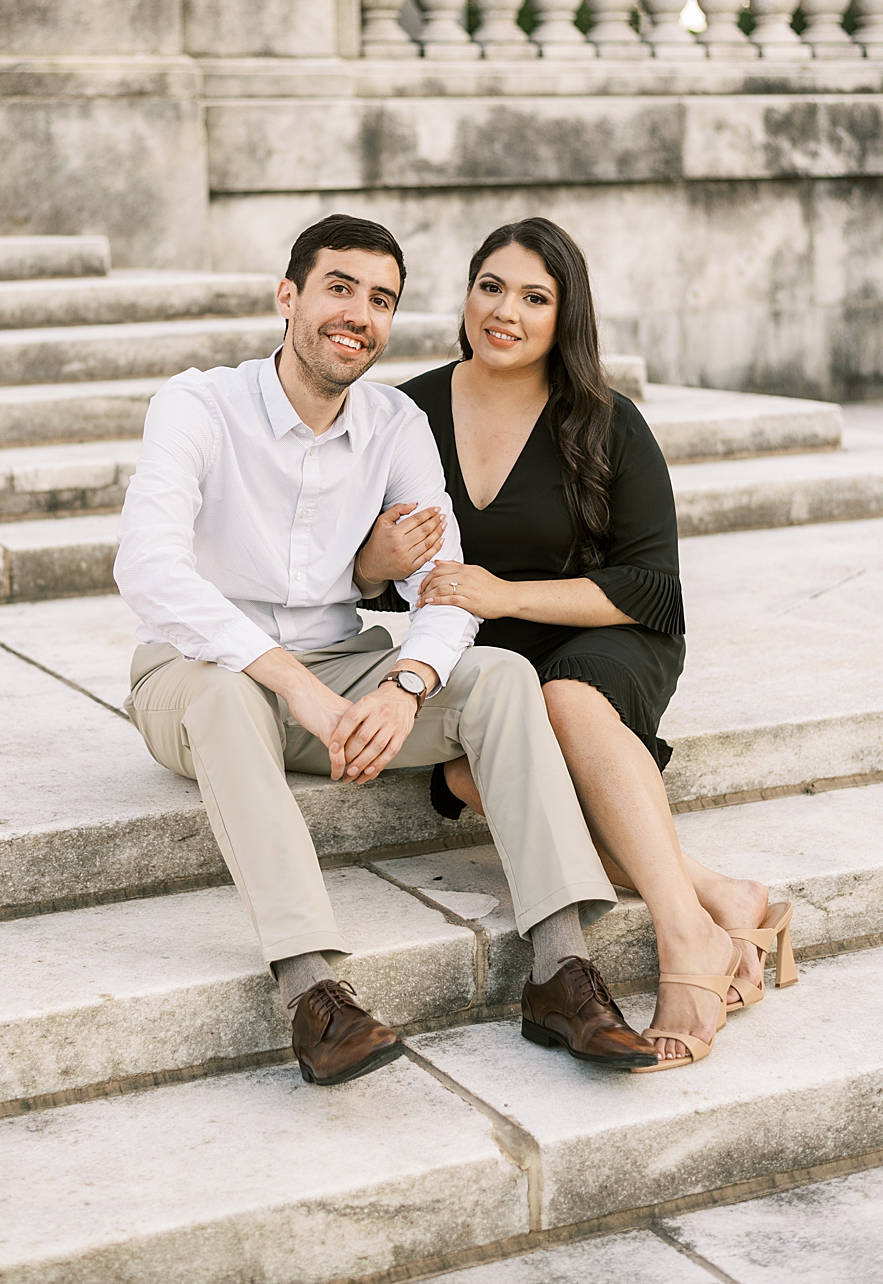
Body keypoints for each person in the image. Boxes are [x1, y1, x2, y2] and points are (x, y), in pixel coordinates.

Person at [114, 213, 657, 1087]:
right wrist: (293, 683)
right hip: (195, 677)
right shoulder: (199, 405)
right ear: (288, 297)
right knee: (228, 691)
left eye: (380, 300)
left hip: (343, 671)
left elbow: (443, 583)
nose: (357, 315)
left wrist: (407, 682)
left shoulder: (396, 423)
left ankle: (561, 973)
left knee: (501, 675)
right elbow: (148, 568)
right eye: (338, 288)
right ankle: (312, 994)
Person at [352, 217, 792, 1071]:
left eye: (534, 297)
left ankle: (685, 935)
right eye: (491, 287)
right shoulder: (405, 413)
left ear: (565, 316)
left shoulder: (608, 422)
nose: (505, 312)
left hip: (608, 635)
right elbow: (360, 575)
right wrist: (375, 562)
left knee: (567, 699)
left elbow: (654, 587)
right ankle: (720, 892)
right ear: (467, 293)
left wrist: (507, 593)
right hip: (489, 655)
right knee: (466, 777)